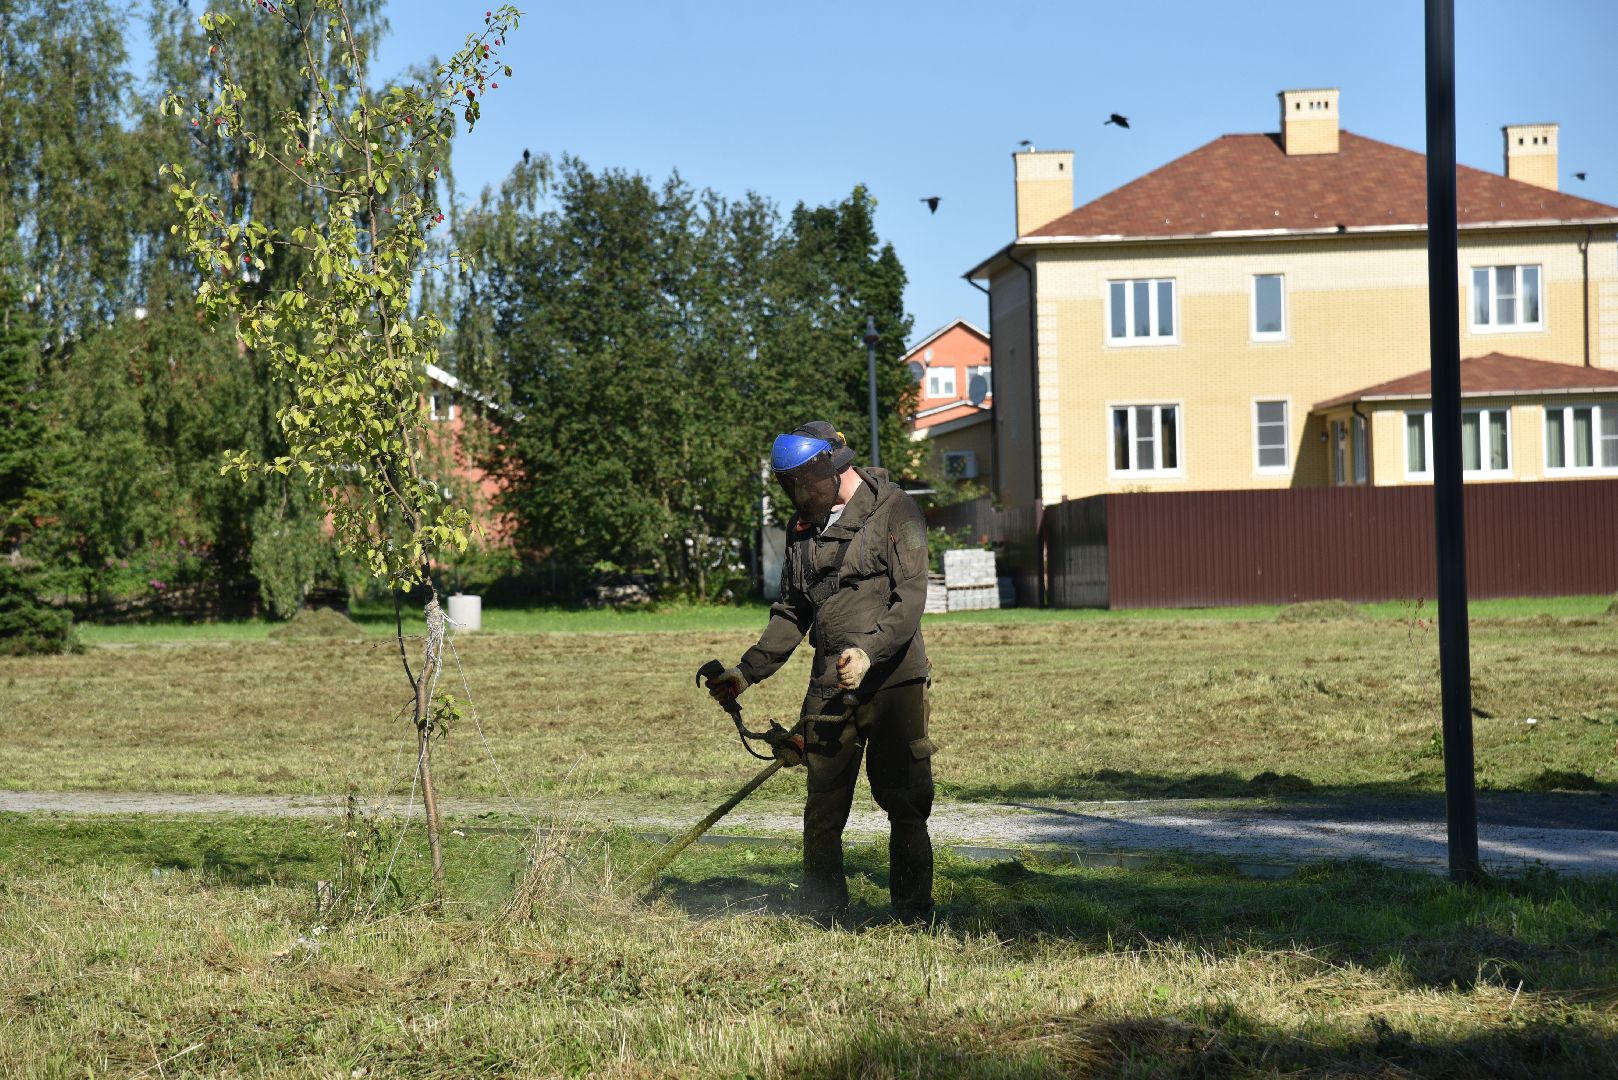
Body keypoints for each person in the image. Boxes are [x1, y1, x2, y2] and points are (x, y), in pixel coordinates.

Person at [706, 421, 936, 925]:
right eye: (790, 485)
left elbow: (912, 597)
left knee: (905, 801)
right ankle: (824, 912)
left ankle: (914, 915)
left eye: (803, 483)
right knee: (823, 805)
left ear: (833, 468)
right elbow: (792, 610)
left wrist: (869, 652)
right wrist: (747, 672)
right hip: (830, 686)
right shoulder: (804, 528)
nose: (798, 495)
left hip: (894, 678)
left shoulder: (898, 510)